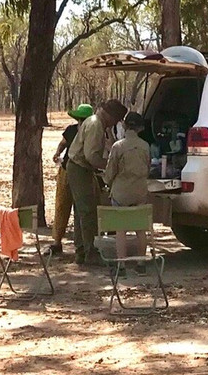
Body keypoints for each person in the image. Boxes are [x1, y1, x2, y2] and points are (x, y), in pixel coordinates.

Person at [66, 99, 126, 265]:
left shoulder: (95, 123)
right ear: (111, 116)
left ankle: (82, 250)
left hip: (81, 168)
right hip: (79, 168)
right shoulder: (95, 125)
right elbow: (91, 156)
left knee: (81, 210)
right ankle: (88, 251)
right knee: (87, 211)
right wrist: (109, 166)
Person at [101, 110, 152, 257]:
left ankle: (121, 264)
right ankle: (141, 262)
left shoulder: (118, 146)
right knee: (140, 229)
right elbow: (147, 168)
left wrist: (107, 182)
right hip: (140, 191)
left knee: (121, 229)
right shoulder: (145, 146)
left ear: (124, 125)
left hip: (121, 193)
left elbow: (110, 172)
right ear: (140, 128)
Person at [49, 103, 93, 255]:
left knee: (81, 209)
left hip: (84, 172)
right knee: (62, 205)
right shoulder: (71, 130)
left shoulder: (92, 133)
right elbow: (63, 143)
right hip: (67, 170)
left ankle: (81, 245)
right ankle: (57, 241)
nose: (81, 122)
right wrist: (57, 153)